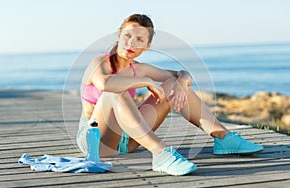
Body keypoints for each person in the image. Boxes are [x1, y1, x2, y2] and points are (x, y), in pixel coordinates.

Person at [77, 14, 263, 176]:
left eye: (139, 40)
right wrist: (147, 81)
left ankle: (222, 137)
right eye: (127, 36)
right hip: (96, 139)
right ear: (119, 36)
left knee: (171, 84)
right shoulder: (100, 62)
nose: (131, 43)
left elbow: (182, 73)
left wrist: (181, 83)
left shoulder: (139, 68)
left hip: (127, 140)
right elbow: (104, 83)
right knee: (114, 93)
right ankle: (161, 154)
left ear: (147, 46)